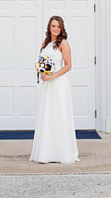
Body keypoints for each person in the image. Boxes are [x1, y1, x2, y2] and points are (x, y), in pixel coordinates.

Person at [30, 16, 80, 164]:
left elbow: (68, 65)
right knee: (48, 115)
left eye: (58, 26)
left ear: (62, 28)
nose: (56, 29)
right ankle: (47, 152)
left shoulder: (63, 43)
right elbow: (40, 61)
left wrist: (53, 76)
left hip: (59, 84)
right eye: (53, 26)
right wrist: (43, 73)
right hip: (48, 85)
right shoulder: (45, 42)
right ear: (49, 27)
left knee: (60, 114)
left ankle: (62, 153)